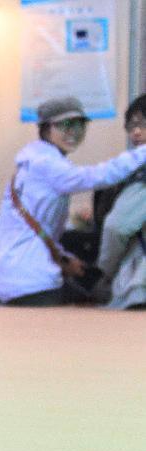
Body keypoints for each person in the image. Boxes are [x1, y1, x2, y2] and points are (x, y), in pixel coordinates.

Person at [0, 96, 146, 306]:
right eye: (65, 125)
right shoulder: (46, 164)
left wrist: (62, 258)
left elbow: (30, 230)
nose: (73, 132)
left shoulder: (28, 165)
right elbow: (96, 178)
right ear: (46, 129)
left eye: (79, 125)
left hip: (1, 277)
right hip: (29, 282)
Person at [93, 94, 146, 309]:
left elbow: (117, 226)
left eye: (143, 124)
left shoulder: (141, 174)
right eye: (131, 125)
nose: (136, 131)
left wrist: (105, 271)